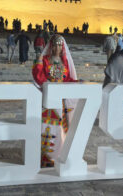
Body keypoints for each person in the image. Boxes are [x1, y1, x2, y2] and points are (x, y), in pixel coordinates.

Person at [32, 34, 78, 167]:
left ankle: (58, 156)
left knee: (59, 130)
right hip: (48, 102)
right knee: (47, 129)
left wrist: (76, 82)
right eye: (55, 44)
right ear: (51, 45)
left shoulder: (64, 62)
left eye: (59, 44)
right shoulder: (45, 60)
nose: (57, 47)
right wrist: (39, 61)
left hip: (60, 103)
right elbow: (39, 76)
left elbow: (67, 79)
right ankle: (44, 158)